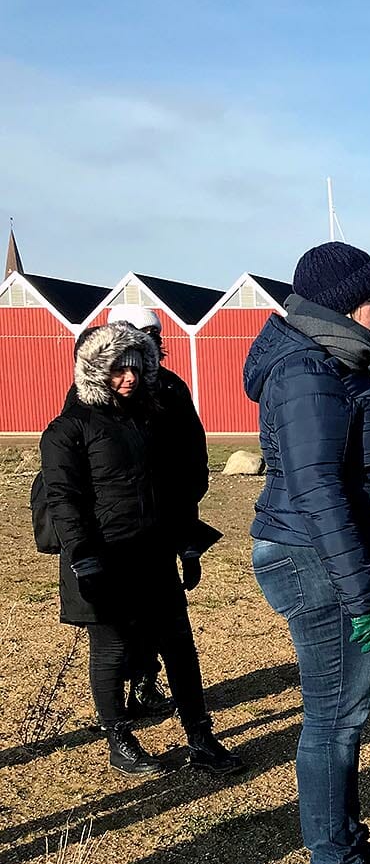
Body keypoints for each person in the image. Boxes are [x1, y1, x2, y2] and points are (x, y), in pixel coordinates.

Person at [243, 241, 370, 864]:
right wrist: (359, 594)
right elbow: (318, 490)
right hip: (318, 562)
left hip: (339, 558)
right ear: (346, 305)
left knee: (344, 717)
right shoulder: (308, 372)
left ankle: (346, 842)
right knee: (333, 720)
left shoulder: (335, 363)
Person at [39, 324, 239, 777]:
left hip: (153, 555)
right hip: (102, 559)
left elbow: (171, 490)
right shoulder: (68, 429)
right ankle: (118, 738)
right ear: (94, 370)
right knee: (110, 651)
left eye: (135, 366)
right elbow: (64, 501)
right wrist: (84, 560)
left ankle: (200, 734)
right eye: (116, 367)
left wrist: (188, 545)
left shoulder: (152, 421)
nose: (128, 377)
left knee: (179, 646)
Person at [104, 304, 209, 720]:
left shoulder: (170, 389)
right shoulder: (101, 393)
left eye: (149, 337)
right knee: (120, 621)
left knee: (163, 617)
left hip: (163, 519)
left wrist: (187, 525)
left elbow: (192, 452)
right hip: (118, 525)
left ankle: (148, 682)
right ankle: (120, 698)